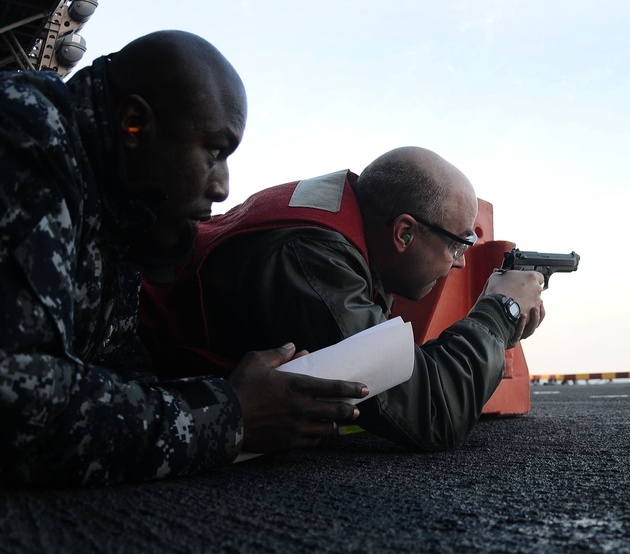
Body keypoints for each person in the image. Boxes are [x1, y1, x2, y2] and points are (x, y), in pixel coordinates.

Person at [0, 30, 366, 488]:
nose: (222, 187)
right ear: (134, 123)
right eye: (215, 152)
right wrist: (229, 416)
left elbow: (120, 368)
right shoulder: (24, 133)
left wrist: (262, 396)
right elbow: (18, 404)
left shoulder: (125, 206)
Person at [141, 146, 545, 451]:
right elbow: (434, 411)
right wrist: (500, 311)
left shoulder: (340, 217)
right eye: (458, 246)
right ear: (404, 233)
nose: (459, 264)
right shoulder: (313, 258)